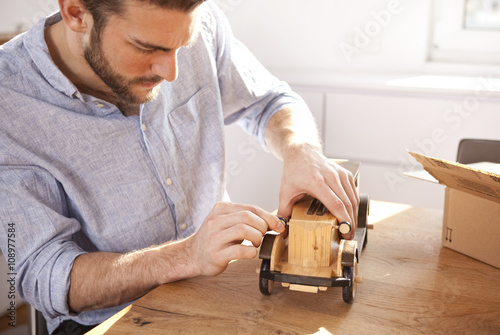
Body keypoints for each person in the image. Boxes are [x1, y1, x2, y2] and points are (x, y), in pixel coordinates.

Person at [0, 0, 358, 333]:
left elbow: (269, 101)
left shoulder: (199, 22)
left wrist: (301, 149)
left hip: (221, 293)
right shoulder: (8, 101)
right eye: (146, 48)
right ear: (76, 12)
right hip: (111, 320)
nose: (171, 72)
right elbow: (44, 276)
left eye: (181, 47)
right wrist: (186, 256)